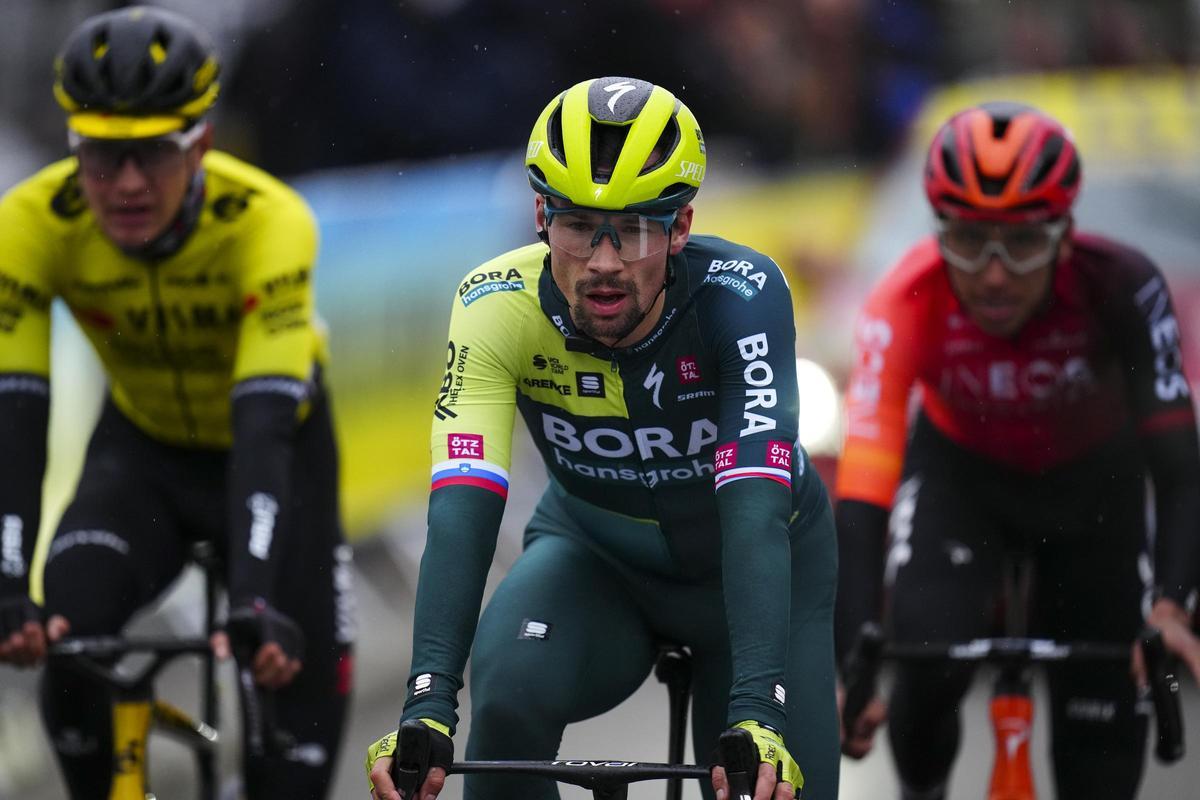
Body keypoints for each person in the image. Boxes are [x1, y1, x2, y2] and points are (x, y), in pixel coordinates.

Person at [365, 76, 840, 800]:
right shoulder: (496, 306)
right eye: (581, 226)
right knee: (505, 704)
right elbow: (461, 507)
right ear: (540, 216)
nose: (606, 262)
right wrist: (427, 703)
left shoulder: (742, 296)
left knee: (767, 787)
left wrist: (755, 708)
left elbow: (753, 510)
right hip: (599, 562)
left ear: (681, 228)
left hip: (757, 569)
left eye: (640, 228)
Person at [0, 7, 355, 798]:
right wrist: (7, 579)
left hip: (276, 457)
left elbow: (263, 422)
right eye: (102, 154)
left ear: (199, 143)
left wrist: (256, 592)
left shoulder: (266, 221)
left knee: (289, 740)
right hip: (143, 455)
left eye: (153, 153)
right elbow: (16, 413)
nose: (126, 183)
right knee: (69, 633)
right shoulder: (28, 225)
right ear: (73, 146)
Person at [834, 101, 1200, 799]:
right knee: (924, 662)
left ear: (1066, 237)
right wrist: (854, 657)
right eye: (970, 240)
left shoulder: (1123, 285)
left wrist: (1171, 607)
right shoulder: (904, 298)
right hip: (961, 483)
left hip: (1097, 491)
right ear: (939, 235)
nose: (995, 274)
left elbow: (1181, 469)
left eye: (1023, 243)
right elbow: (861, 495)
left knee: (1102, 725)